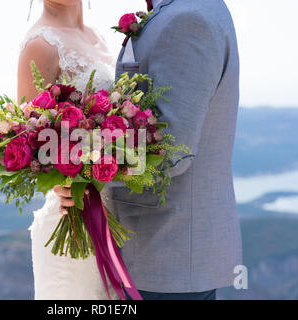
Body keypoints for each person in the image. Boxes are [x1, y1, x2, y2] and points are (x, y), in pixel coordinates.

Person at [55, 0, 242, 300]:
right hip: (163, 254)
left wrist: (83, 171)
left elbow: (172, 151)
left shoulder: (188, 19)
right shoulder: (181, 11)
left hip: (168, 255)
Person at [18, 0, 117, 299]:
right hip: (73, 221)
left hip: (113, 215)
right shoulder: (41, 44)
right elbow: (28, 139)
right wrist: (62, 179)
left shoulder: (98, 35)